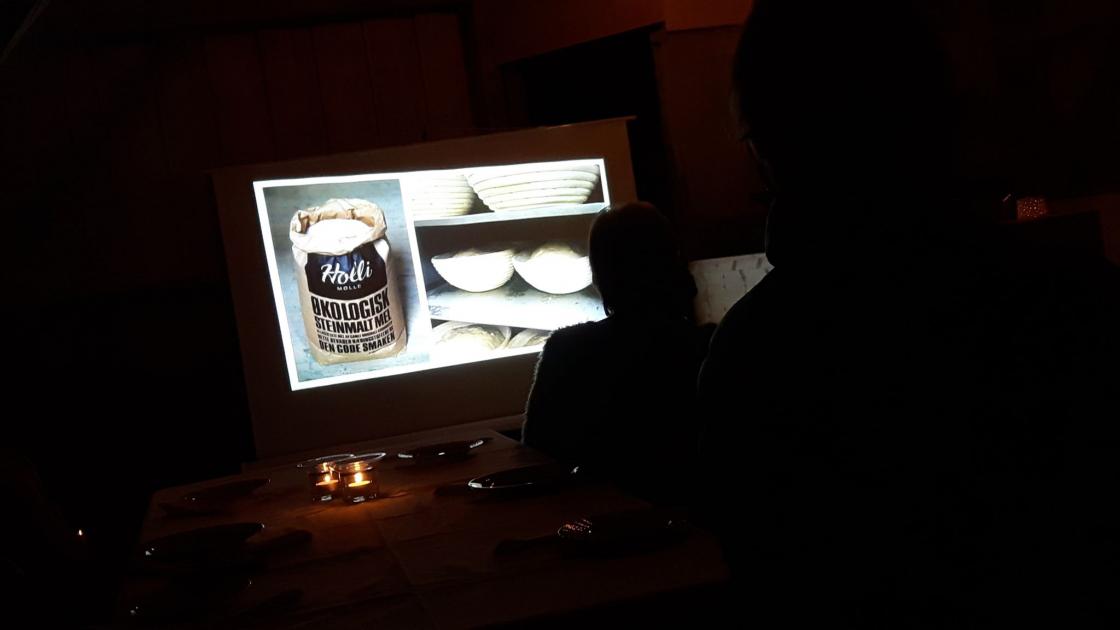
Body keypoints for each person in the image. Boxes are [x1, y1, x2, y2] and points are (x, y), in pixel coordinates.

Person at [697, 0, 1120, 626]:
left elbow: (771, 576)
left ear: (765, 148)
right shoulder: (1080, 302)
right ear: (943, 112)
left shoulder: (758, 358)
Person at [522, 202, 713, 505]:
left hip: (598, 519)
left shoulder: (568, 351)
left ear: (600, 276)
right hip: (696, 520)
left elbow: (535, 457)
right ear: (675, 263)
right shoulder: (708, 346)